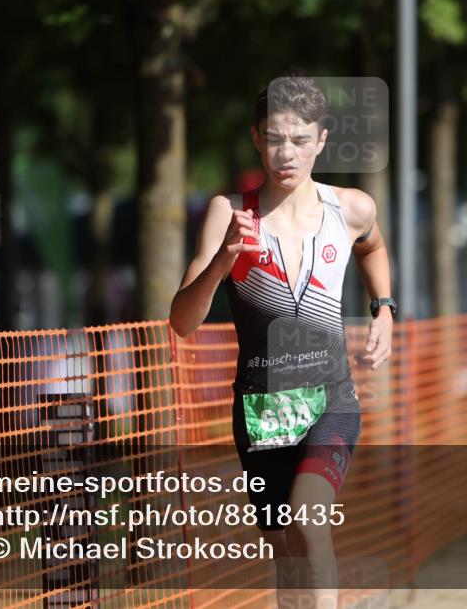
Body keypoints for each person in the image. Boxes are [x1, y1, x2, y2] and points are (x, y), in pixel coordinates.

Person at [169, 71, 394, 607]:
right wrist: (223, 260)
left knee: (308, 521)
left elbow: (372, 247)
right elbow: (182, 321)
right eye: (273, 138)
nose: (284, 153)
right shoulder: (230, 213)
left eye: (298, 139)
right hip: (262, 408)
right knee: (286, 548)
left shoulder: (352, 208)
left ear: (321, 139)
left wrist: (384, 309)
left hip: (332, 401)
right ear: (255, 137)